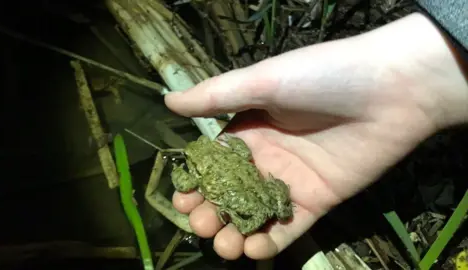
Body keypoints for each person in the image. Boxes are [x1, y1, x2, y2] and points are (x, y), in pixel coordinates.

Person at [164, 0, 468, 261]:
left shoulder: (198, 173)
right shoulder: (228, 156)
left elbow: (196, 172)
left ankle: (248, 218)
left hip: (241, 193)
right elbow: (242, 151)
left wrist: (185, 172)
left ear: (196, 167)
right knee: (257, 212)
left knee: (241, 222)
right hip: (249, 187)